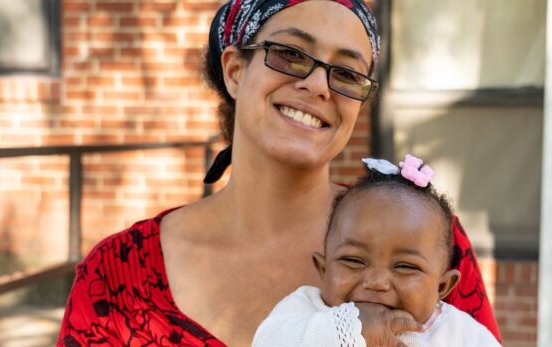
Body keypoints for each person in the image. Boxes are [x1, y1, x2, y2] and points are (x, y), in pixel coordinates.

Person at [56, 1, 501, 346]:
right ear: (234, 71)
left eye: (346, 72)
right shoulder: (117, 275)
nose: (318, 85)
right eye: (289, 54)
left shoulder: (423, 237)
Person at [252, 156, 501, 347]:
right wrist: (343, 331)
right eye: (353, 260)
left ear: (442, 286)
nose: (376, 282)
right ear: (323, 269)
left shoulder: (459, 334)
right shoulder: (306, 310)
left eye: (405, 266)